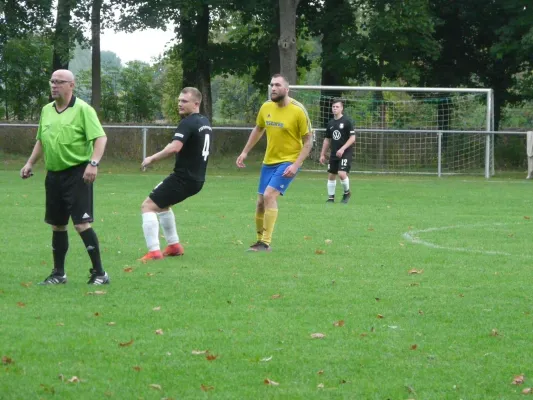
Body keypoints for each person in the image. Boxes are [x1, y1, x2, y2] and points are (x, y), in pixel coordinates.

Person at [20, 69, 109, 285]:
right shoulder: (46, 110)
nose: (54, 85)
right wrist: (30, 162)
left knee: (81, 224)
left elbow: (100, 138)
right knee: (57, 225)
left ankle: (100, 273)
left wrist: (93, 164)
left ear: (72, 85)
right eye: (52, 81)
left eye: (59, 82)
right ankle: (59, 274)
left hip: (78, 173)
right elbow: (42, 140)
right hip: (54, 175)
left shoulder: (83, 110)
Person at [236, 73, 313, 252]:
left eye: (278, 85)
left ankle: (265, 243)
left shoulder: (298, 110)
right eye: (272, 85)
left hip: (288, 161)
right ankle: (258, 240)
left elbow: (309, 141)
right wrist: (245, 152)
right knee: (260, 202)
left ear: (287, 89)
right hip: (268, 162)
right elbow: (258, 129)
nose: (273, 88)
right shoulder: (266, 107)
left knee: (270, 195)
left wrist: (296, 165)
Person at [139, 87, 212, 261]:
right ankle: (174, 246)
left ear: (196, 103)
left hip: (183, 178)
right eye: (179, 100)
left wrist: (152, 159)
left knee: (148, 206)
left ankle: (154, 252)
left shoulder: (188, 123)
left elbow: (174, 147)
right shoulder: (204, 121)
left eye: (184, 101)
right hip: (197, 179)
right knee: (162, 205)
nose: (179, 104)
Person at [319, 98, 355, 203]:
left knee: (342, 173)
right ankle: (331, 198)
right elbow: (327, 140)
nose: (335, 108)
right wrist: (322, 154)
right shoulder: (330, 123)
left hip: (345, 152)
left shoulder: (347, 122)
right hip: (334, 152)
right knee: (331, 175)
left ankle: (347, 193)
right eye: (333, 107)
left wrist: (343, 149)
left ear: (342, 108)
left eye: (337, 107)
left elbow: (352, 138)